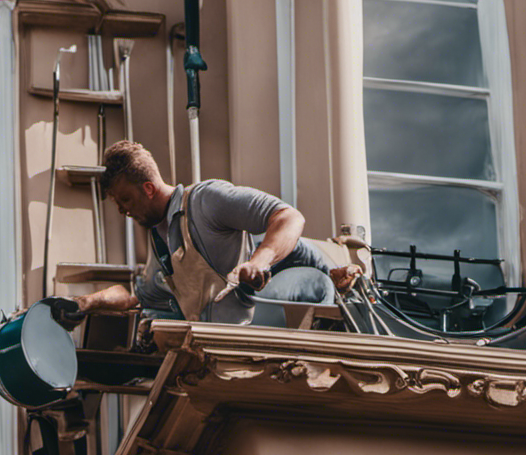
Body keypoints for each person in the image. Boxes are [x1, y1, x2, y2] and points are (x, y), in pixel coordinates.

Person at [62, 140, 329, 326]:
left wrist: (259, 261)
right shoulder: (160, 244)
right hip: (220, 353)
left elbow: (288, 217)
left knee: (313, 285)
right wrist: (86, 302)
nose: (122, 211)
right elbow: (135, 299)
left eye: (126, 200)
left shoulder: (206, 201)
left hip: (265, 323)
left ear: (149, 188)